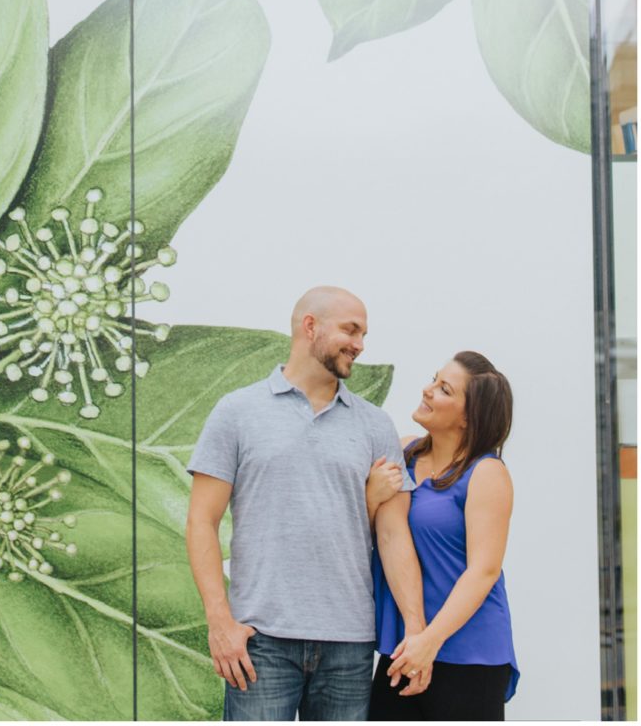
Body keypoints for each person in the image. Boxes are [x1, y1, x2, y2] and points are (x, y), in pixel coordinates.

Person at [185, 286, 430, 721]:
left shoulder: (375, 425)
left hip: (349, 643)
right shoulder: (237, 412)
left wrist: (416, 630)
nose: (360, 344)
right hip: (261, 640)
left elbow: (393, 534)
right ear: (310, 326)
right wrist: (219, 623)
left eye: (364, 334)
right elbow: (202, 521)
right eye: (351, 330)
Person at [367, 351, 518, 721]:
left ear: (469, 417)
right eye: (434, 380)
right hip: (404, 646)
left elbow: (483, 571)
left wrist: (429, 642)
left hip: (467, 653)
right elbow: (376, 536)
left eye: (444, 389)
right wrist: (371, 496)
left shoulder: (487, 473)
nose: (428, 390)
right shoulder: (402, 453)